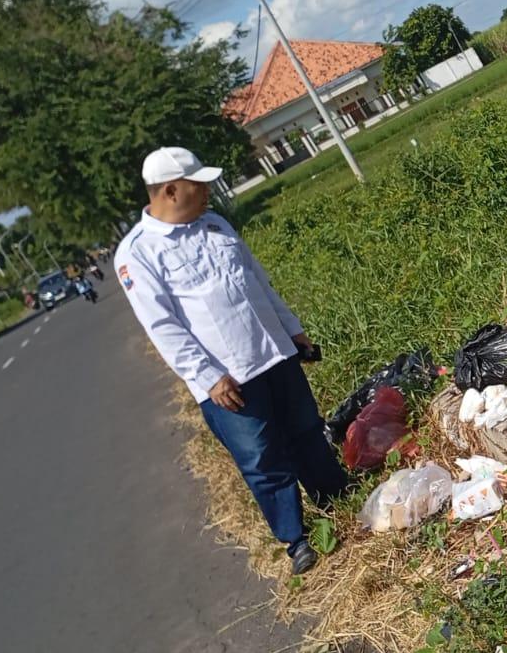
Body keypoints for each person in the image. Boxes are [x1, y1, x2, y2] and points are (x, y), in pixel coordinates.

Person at [115, 146, 349, 574]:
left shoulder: (215, 224)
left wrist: (292, 329)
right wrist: (208, 377)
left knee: (306, 431)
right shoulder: (138, 253)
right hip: (229, 377)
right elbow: (162, 325)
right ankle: (296, 539)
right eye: (198, 185)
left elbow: (257, 280)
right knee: (262, 458)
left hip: (273, 352)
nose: (207, 191)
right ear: (170, 190)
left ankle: (336, 498)